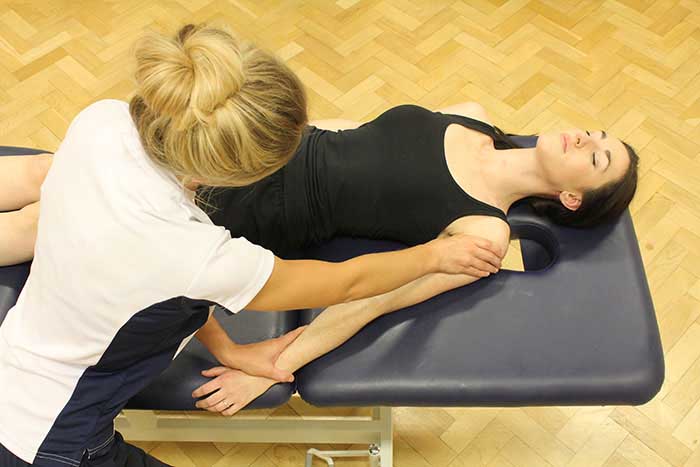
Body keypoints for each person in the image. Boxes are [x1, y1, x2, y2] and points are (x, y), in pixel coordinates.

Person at [0, 24, 500, 467]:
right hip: (51, 441)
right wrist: (436, 255)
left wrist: (230, 348)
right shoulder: (198, 253)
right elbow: (349, 282)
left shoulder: (99, 122)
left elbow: (167, 289)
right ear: (231, 173)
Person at [188, 101, 640, 415]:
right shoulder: (472, 117)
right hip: (261, 144)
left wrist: (274, 369)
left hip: (251, 211)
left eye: (596, 157)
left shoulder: (484, 234)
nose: (582, 138)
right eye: (594, 134)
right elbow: (359, 132)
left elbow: (372, 301)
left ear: (571, 199)